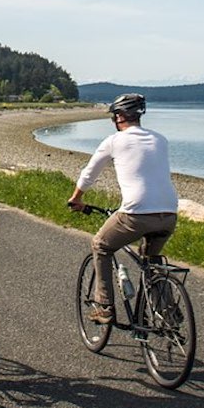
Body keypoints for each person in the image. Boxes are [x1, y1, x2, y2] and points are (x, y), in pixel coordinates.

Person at [67, 93, 178, 324]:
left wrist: (76, 197)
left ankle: (104, 306)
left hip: (135, 213)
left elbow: (89, 173)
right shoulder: (161, 139)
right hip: (169, 213)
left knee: (101, 245)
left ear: (118, 117)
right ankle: (167, 311)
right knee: (150, 259)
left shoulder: (114, 141)